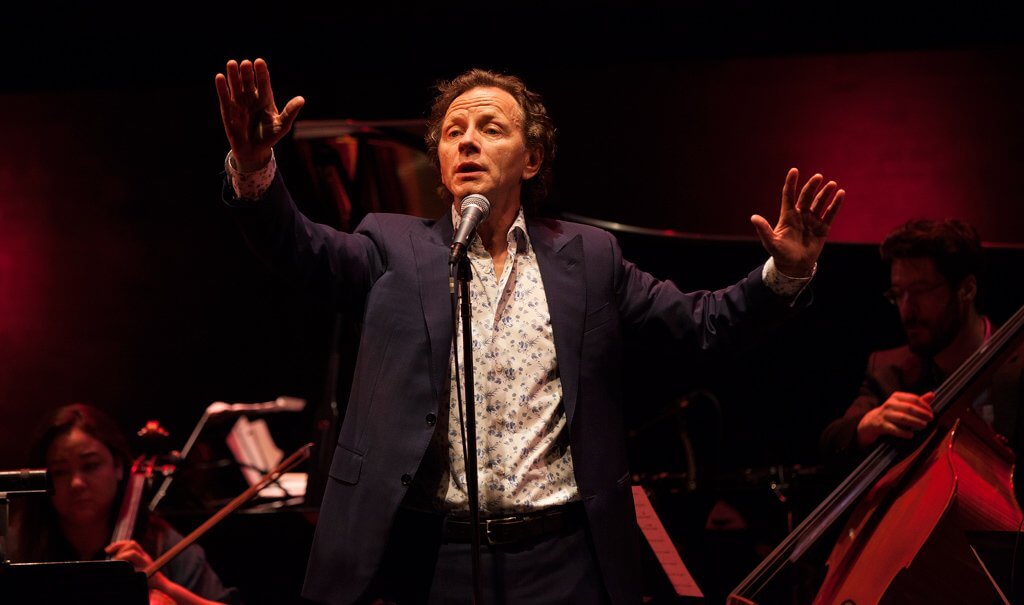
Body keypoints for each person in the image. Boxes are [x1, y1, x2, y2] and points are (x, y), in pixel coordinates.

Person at [215, 58, 844, 604]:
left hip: (562, 559)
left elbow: (702, 323)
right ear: (440, 161)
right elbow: (299, 248)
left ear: (532, 158)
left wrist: (786, 273)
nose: (468, 141)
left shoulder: (589, 258)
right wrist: (253, 162)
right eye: (453, 132)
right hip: (429, 558)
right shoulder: (390, 245)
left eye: (491, 129)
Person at [820, 219, 1019, 472]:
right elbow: (831, 442)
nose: (906, 309)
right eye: (898, 293)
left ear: (967, 289)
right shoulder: (889, 370)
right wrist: (866, 425)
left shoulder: (1017, 362)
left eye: (920, 290)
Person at [10, 403, 241, 605]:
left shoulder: (163, 544)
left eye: (90, 466)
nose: (76, 483)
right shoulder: (17, 546)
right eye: (60, 472)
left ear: (119, 466)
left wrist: (163, 586)